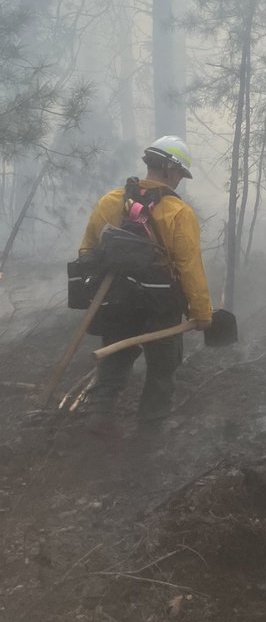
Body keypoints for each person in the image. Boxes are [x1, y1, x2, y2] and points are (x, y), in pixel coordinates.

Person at [78, 136, 212, 434]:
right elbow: (190, 267)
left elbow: (87, 250)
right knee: (164, 362)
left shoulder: (111, 201)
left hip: (115, 297)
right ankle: (152, 425)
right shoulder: (178, 212)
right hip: (160, 303)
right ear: (168, 169)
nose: (179, 180)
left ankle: (99, 414)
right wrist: (202, 312)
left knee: (114, 353)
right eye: (180, 173)